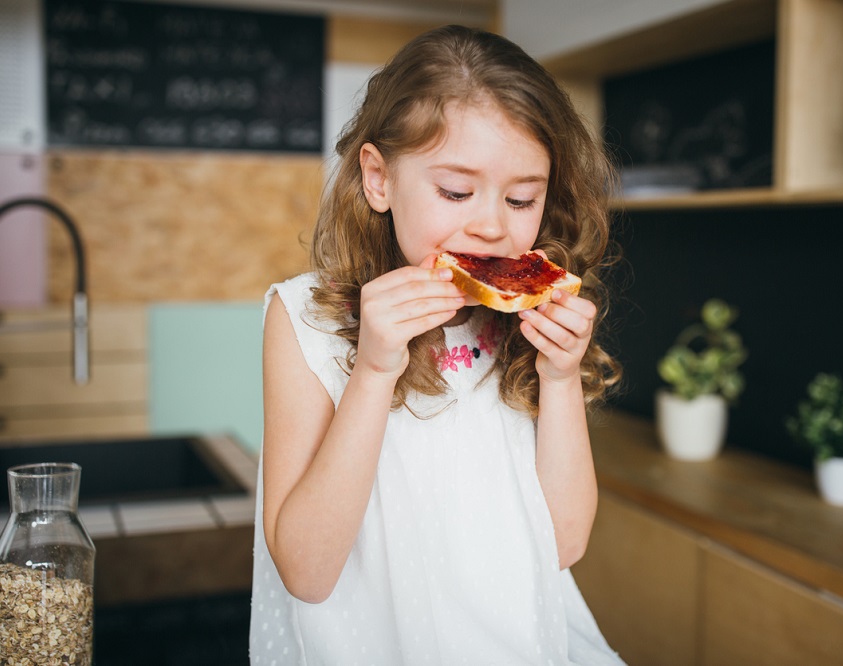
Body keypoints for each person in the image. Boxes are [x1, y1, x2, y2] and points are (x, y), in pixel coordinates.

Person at [250, 24, 625, 665]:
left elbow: (562, 546)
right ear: (379, 179)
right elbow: (307, 573)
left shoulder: (525, 319)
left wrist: (560, 382)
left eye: (521, 198)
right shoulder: (304, 320)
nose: (491, 225)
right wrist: (371, 372)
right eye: (455, 191)